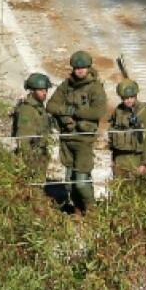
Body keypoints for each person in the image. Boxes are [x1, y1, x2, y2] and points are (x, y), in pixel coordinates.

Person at [46, 50, 107, 211]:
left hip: (84, 139)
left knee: (81, 181)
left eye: (83, 67)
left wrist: (74, 112)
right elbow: (51, 105)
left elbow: (98, 111)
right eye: (77, 68)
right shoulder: (66, 86)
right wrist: (65, 115)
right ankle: (78, 209)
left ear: (89, 68)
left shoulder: (95, 88)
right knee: (69, 181)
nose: (80, 70)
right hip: (67, 138)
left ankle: (91, 209)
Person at [108, 79, 146, 179]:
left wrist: (144, 162)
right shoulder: (118, 111)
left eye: (131, 97)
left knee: (139, 191)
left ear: (136, 96)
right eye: (125, 98)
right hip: (120, 160)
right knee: (120, 190)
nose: (129, 100)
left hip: (137, 160)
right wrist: (113, 161)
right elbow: (113, 136)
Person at [11, 72, 54, 182]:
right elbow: (23, 137)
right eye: (41, 90)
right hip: (32, 156)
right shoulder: (27, 109)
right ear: (32, 91)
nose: (44, 93)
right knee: (33, 187)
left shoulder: (38, 107)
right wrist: (28, 159)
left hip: (39, 153)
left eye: (45, 90)